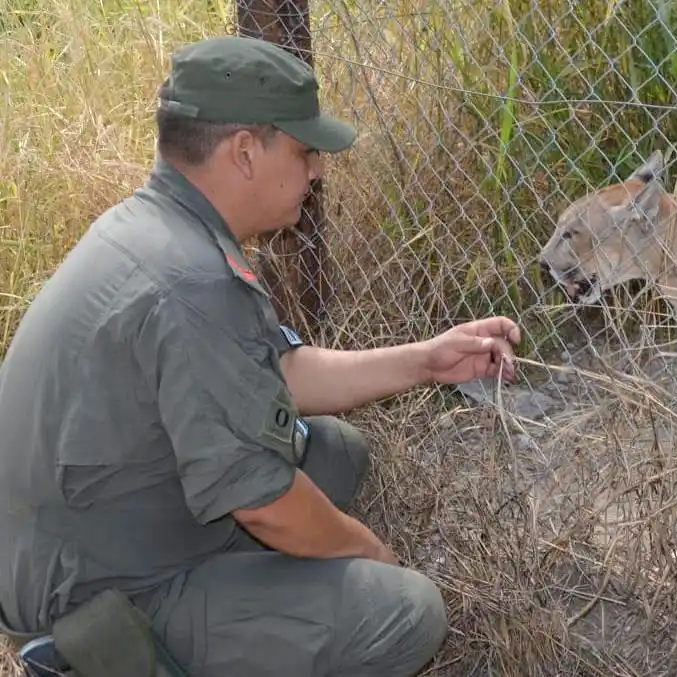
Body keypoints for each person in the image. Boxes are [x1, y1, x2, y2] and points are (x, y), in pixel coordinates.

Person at [0, 35, 521, 677]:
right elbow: (263, 502)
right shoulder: (191, 284)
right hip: (99, 601)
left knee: (333, 452)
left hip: (94, 535)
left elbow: (277, 374)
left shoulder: (159, 231)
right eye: (304, 151)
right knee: (404, 611)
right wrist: (374, 555)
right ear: (246, 151)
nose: (317, 171)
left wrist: (424, 360)